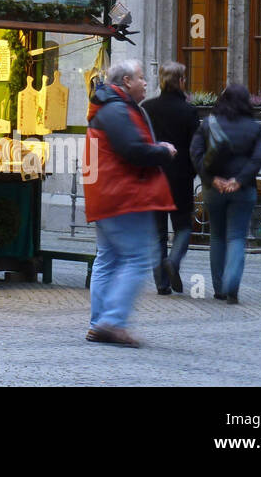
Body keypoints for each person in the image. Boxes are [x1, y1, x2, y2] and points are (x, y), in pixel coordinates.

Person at [82, 58, 177, 347]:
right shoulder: (117, 110)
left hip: (107, 195)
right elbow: (131, 150)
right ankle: (112, 322)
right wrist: (161, 150)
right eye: (141, 77)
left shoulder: (108, 108)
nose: (146, 82)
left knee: (108, 259)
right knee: (137, 259)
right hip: (123, 196)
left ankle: (99, 323)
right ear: (126, 82)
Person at [189, 84, 261, 304]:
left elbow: (195, 153)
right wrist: (239, 181)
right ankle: (232, 285)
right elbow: (258, 158)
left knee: (217, 236)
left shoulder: (208, 124)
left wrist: (212, 179)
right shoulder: (254, 128)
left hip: (214, 189)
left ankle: (219, 287)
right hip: (243, 190)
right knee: (236, 237)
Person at [141, 62, 199, 294]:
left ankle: (162, 284)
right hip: (181, 176)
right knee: (183, 227)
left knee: (157, 233)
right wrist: (193, 172)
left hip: (154, 175)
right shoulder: (189, 111)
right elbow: (196, 148)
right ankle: (173, 261)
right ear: (182, 81)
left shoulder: (147, 107)